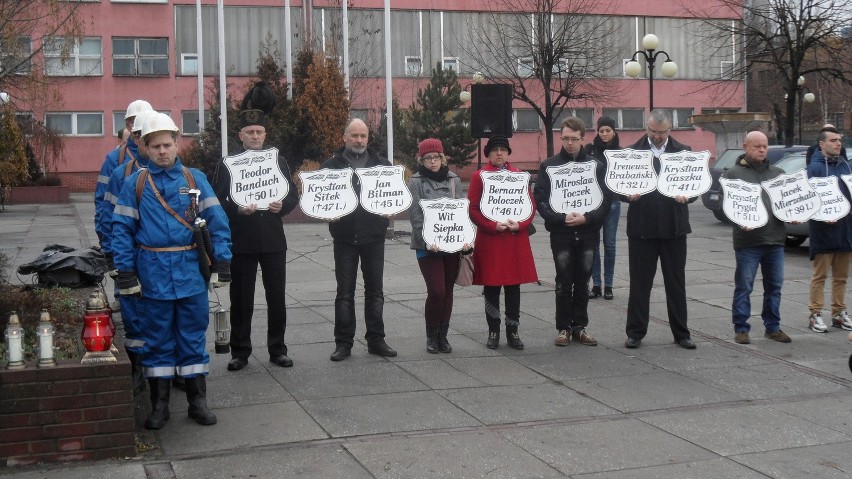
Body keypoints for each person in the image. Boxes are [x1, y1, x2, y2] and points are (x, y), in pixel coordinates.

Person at [112, 113, 232, 430]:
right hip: (152, 277)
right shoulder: (134, 184)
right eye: (156, 147)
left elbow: (218, 223)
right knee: (157, 342)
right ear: (146, 148)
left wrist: (223, 262)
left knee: (192, 339)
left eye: (167, 145)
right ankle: (160, 405)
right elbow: (121, 231)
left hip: (191, 274)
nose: (163, 151)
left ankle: (197, 401)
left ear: (177, 144)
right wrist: (125, 272)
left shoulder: (194, 180)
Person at [214, 83, 299, 371]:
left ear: (265, 134)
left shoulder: (279, 161)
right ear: (241, 136)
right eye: (250, 132)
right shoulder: (229, 165)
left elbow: (292, 196)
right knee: (241, 299)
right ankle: (240, 351)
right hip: (243, 239)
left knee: (277, 298)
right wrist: (237, 209)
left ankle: (278, 349)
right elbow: (217, 201)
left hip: (274, 239)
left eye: (259, 132)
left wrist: (282, 206)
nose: (255, 136)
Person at [322, 118, 397, 362]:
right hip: (344, 238)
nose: (359, 140)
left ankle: (376, 340)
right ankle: (343, 343)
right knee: (344, 293)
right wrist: (325, 211)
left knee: (375, 292)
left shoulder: (382, 165)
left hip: (374, 237)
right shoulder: (331, 166)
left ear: (368, 138)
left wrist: (392, 208)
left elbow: (394, 195)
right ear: (344, 137)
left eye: (363, 136)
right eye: (354, 136)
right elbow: (320, 198)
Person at [534, 117, 612, 347]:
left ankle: (580, 326)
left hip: (587, 232)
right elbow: (540, 198)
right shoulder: (549, 166)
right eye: (566, 138)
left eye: (574, 139)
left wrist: (588, 217)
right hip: (562, 232)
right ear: (561, 138)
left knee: (583, 281)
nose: (569, 143)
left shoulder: (596, 166)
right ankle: (563, 328)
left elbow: (605, 201)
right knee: (563, 281)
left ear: (582, 138)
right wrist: (560, 218)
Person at [624, 109, 696, 350]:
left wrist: (688, 196)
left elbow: (695, 184)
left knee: (676, 283)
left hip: (674, 228)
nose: (657, 136)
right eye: (653, 132)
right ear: (647, 128)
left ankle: (681, 333)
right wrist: (626, 195)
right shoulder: (632, 153)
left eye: (662, 132)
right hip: (642, 229)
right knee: (639, 284)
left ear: (670, 130)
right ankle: (635, 332)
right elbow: (616, 185)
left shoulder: (683, 152)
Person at [467, 135, 538, 349]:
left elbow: (530, 206)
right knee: (492, 287)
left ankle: (513, 331)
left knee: (513, 286)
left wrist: (522, 224)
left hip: (515, 239)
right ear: (488, 153)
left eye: (503, 149)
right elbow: (472, 209)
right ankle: (494, 330)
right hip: (491, 239)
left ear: (508, 153)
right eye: (495, 149)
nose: (499, 153)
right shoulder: (479, 176)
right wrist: (490, 226)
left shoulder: (519, 176)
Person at [101, 109, 154, 396]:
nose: (151, 146)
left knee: (165, 316)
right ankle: (137, 370)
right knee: (133, 315)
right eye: (144, 139)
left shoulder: (181, 174)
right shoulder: (120, 172)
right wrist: (112, 256)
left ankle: (169, 372)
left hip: (159, 259)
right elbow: (109, 216)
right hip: (130, 256)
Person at [722, 131, 792, 344]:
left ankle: (773, 327)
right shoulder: (733, 174)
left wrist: (794, 214)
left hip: (775, 240)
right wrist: (737, 220)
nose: (762, 150)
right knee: (744, 286)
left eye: (765, 146)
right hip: (748, 242)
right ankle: (741, 328)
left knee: (775, 287)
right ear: (746, 147)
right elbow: (727, 208)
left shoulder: (778, 173)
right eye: (757, 146)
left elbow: (787, 202)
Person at [408, 138, 470, 354]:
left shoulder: (453, 179)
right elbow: (415, 216)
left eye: (436, 157)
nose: (432, 161)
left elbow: (461, 211)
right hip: (428, 246)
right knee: (436, 291)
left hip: (451, 243)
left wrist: (465, 238)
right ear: (421, 160)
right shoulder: (416, 181)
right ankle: (431, 335)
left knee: (448, 291)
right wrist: (427, 240)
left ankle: (443, 336)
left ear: (442, 158)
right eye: (428, 158)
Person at [806, 126, 852, 333]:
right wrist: (823, 216)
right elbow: (808, 201)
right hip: (823, 232)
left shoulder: (846, 166)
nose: (838, 143)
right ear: (822, 144)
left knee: (841, 277)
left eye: (839, 140)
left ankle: (839, 313)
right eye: (833, 140)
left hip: (845, 230)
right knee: (820, 276)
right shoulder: (814, 168)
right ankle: (815, 314)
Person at [585, 116, 621, 300]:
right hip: (594, 203)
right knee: (593, 245)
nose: (605, 134)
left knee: (610, 244)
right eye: (601, 131)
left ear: (614, 131)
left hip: (613, 203)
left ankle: (609, 285)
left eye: (608, 130)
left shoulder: (620, 152)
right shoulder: (590, 150)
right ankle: (596, 284)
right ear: (597, 132)